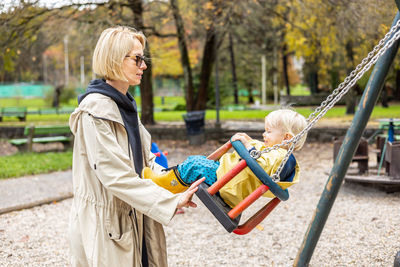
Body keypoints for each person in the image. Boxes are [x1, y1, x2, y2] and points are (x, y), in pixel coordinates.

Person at [68, 26, 204, 267]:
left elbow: (146, 161)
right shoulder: (95, 111)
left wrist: (179, 178)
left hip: (135, 214)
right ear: (114, 59)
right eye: (137, 59)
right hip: (108, 225)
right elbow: (116, 175)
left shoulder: (125, 105)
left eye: (143, 59)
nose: (144, 66)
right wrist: (170, 202)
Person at [142, 109, 307, 208]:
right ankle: (167, 180)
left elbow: (261, 166)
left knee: (194, 164)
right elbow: (260, 154)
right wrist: (249, 141)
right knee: (197, 162)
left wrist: (248, 146)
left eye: (269, 131)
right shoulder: (275, 152)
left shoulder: (280, 156)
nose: (264, 134)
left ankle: (162, 185)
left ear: (286, 137)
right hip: (227, 178)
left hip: (227, 184)